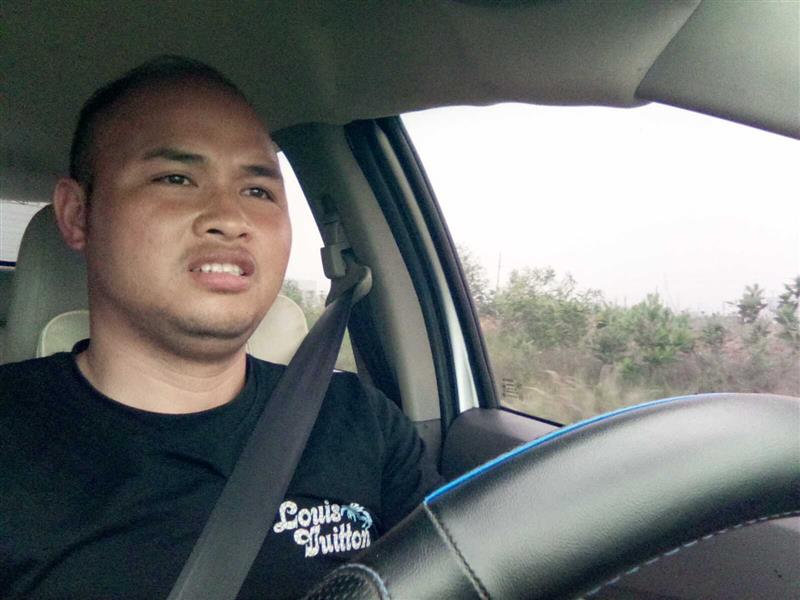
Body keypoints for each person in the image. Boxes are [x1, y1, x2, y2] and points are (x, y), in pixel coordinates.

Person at [0, 56, 442, 599]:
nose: (231, 219)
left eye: (258, 191)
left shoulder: (359, 422)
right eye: (176, 178)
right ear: (77, 215)